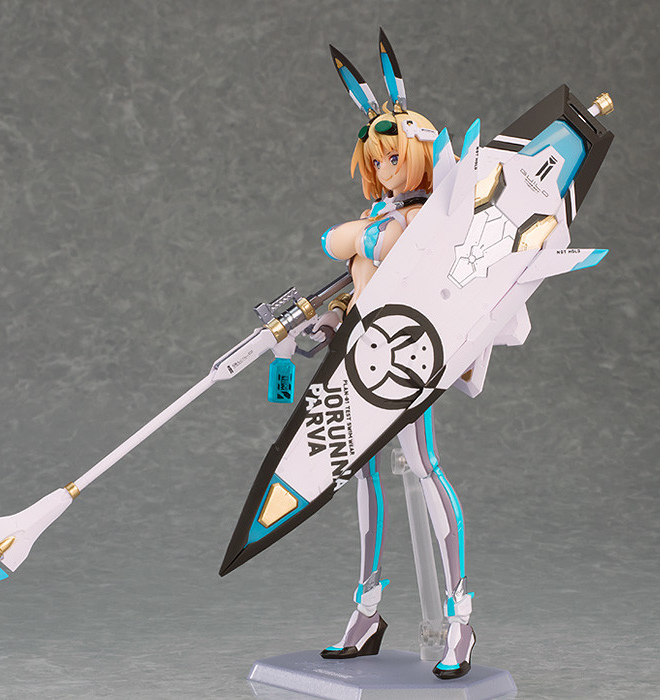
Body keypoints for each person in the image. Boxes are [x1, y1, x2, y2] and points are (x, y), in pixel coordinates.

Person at [318, 45, 475, 679]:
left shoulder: (427, 218)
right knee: (358, 470)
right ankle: (367, 608)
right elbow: (348, 259)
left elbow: (360, 243)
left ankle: (459, 618)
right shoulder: (384, 213)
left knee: (424, 466)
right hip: (361, 350)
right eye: (377, 162)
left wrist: (356, 238)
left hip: (409, 356)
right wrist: (336, 311)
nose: (386, 171)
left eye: (394, 158)